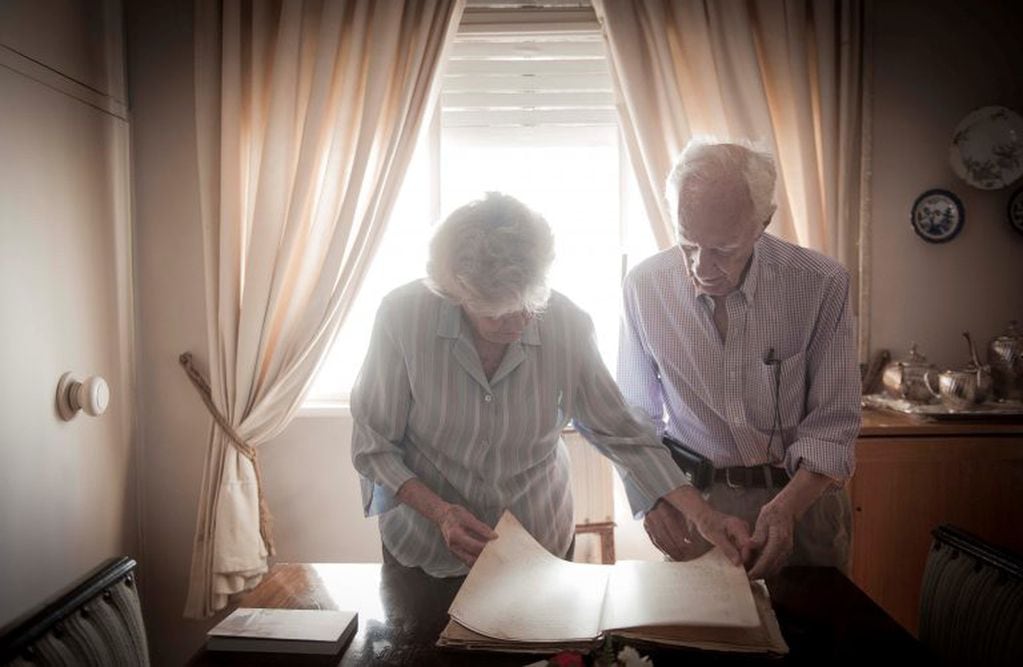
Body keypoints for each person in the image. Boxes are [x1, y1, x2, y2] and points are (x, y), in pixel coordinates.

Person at [351, 192, 750, 577]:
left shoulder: (566, 324)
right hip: (423, 544)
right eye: (499, 315)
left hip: (538, 542)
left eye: (528, 303)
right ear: (458, 297)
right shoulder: (402, 317)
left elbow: (623, 434)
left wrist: (703, 514)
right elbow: (373, 448)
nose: (521, 321)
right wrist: (441, 513)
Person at [617, 138, 860, 579]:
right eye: (687, 244)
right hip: (699, 504)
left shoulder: (820, 282)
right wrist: (653, 496)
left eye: (723, 249)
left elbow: (834, 421)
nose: (701, 268)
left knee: (814, 642)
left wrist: (786, 509)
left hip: (803, 502)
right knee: (704, 646)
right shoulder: (644, 287)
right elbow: (634, 418)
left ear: (762, 222)